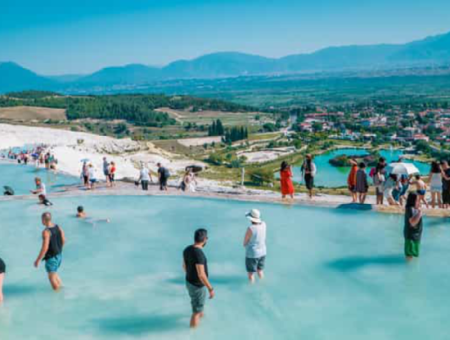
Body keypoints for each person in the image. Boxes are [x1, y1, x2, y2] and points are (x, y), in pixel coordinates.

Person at [183, 229, 214, 328]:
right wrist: (210, 288)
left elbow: (184, 266)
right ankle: (193, 333)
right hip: (197, 286)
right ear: (205, 239)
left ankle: (200, 315)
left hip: (189, 282)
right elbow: (201, 274)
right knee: (196, 313)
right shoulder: (199, 254)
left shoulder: (187, 249)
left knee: (197, 305)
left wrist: (191, 275)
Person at [34, 212, 66, 291]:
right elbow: (64, 240)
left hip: (51, 258)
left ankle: (58, 298)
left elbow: (45, 247)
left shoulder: (46, 232)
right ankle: (63, 291)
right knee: (54, 274)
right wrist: (59, 250)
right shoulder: (58, 227)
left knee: (53, 283)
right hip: (59, 256)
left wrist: (38, 260)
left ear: (43, 220)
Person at [243, 209, 267, 283]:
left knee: (251, 273)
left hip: (252, 254)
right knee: (260, 271)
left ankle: (251, 289)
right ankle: (262, 285)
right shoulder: (264, 224)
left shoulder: (250, 228)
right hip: (263, 251)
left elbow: (244, 242)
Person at [404, 192, 423, 261]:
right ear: (413, 201)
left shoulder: (415, 209)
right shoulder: (410, 209)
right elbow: (412, 223)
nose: (419, 201)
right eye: (417, 200)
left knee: (415, 257)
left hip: (416, 236)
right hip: (411, 237)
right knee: (410, 256)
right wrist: (420, 213)